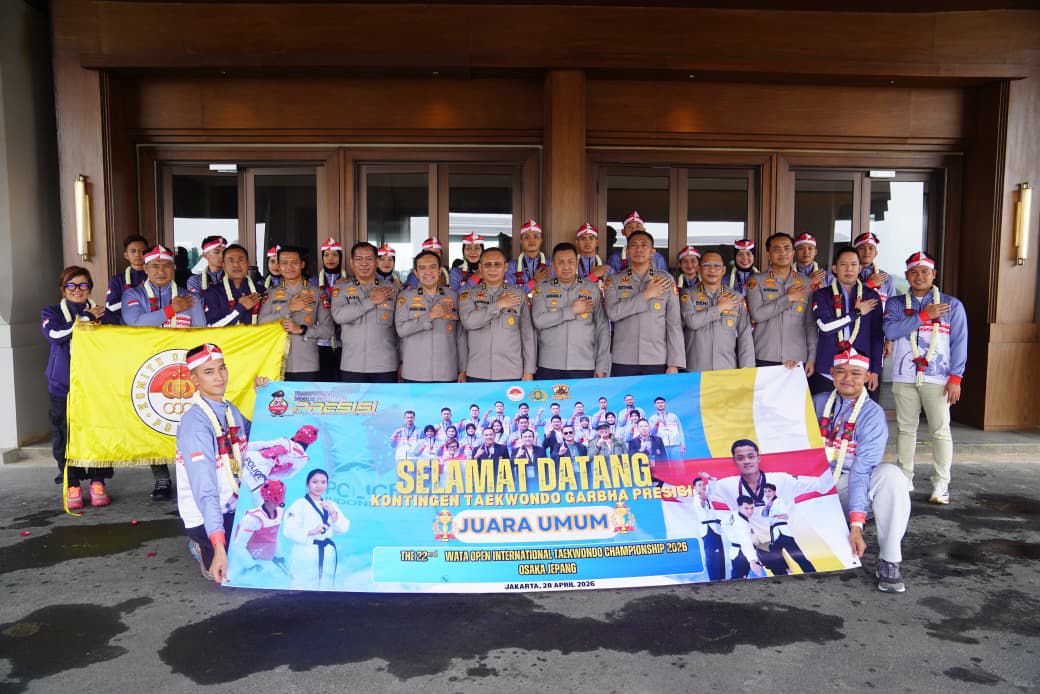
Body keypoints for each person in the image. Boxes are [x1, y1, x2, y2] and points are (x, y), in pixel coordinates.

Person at [814, 348, 911, 593]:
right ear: (831, 374)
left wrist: (856, 526)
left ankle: (889, 560)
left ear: (867, 376)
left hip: (846, 487)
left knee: (892, 476)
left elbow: (861, 471)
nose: (848, 378)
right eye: (841, 371)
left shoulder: (872, 415)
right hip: (812, 487)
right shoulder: (817, 402)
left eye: (856, 373)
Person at [174, 343, 268, 582]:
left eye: (222, 368)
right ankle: (201, 545)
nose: (219, 377)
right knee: (234, 573)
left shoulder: (229, 410)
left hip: (237, 504)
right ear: (194, 380)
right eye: (209, 372)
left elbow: (260, 437)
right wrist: (218, 546)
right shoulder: (195, 425)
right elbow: (205, 490)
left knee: (269, 553)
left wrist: (266, 398)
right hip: (207, 514)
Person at [883, 251, 967, 504]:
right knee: (905, 429)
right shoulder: (896, 304)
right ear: (906, 275)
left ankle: (941, 484)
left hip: (938, 378)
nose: (919, 276)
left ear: (934, 274)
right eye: (913, 272)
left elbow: (959, 342)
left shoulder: (952, 305)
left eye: (924, 272)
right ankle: (904, 479)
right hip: (904, 375)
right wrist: (923, 316)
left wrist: (956, 377)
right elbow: (890, 331)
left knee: (940, 431)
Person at [123, 244, 206, 499]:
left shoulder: (189, 295)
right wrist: (171, 310)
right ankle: (161, 477)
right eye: (155, 266)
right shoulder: (133, 294)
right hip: (149, 369)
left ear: (174, 268)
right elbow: (136, 322)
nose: (161, 271)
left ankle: (190, 474)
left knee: (189, 421)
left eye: (167, 266)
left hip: (182, 367)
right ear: (146, 268)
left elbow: (200, 329)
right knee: (154, 422)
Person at [42, 266, 114, 509]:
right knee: (64, 434)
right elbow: (55, 335)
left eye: (83, 285)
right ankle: (71, 483)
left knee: (98, 432)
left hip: (96, 384)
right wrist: (86, 318)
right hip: (63, 386)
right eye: (71, 285)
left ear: (90, 288)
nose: (77, 290)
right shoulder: (51, 312)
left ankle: (97, 481)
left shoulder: (105, 313)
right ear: (63, 289)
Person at [712, 438, 831, 577]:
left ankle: (816, 579)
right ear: (735, 461)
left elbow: (822, 485)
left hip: (786, 534)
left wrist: (835, 461)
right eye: (740, 458)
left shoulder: (782, 480)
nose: (746, 461)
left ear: (759, 458)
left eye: (751, 456)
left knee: (803, 562)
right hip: (760, 545)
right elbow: (697, 494)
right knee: (779, 576)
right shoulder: (726, 486)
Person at [604, 230, 685, 376]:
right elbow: (613, 313)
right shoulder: (614, 280)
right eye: (634, 245)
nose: (639, 249)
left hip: (657, 358)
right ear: (627, 251)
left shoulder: (666, 280)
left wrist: (674, 363)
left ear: (652, 252)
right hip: (623, 359)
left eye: (644, 245)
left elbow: (674, 324)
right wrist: (647, 294)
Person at [531, 242, 611, 379]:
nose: (566, 266)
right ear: (553, 265)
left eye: (570, 262)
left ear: (577, 263)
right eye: (560, 262)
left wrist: (602, 364)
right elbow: (539, 321)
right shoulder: (542, 288)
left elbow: (602, 328)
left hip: (584, 364)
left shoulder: (592, 289)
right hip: (549, 364)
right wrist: (571, 311)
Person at [811, 246, 882, 397]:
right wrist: (856, 313)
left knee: (859, 412)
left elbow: (877, 336)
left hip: (860, 370)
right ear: (835, 269)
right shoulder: (822, 295)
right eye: (843, 264)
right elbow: (825, 327)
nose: (849, 269)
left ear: (860, 268)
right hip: (828, 369)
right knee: (824, 410)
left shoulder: (871, 296)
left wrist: (875, 370)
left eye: (854, 264)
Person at [459, 247, 536, 381]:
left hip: (511, 371)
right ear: (480, 268)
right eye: (487, 265)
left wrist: (529, 370)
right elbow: (468, 323)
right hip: (477, 371)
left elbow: (528, 335)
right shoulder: (468, 295)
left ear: (505, 267)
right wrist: (499, 305)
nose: (492, 269)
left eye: (497, 264)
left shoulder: (518, 295)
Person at [259, 246, 333, 381]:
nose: (289, 267)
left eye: (294, 262)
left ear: (302, 264)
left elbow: (328, 330)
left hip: (307, 364)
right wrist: (289, 308)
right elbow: (261, 323)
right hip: (276, 362)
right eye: (284, 263)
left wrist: (301, 329)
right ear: (279, 266)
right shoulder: (270, 293)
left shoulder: (317, 293)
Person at [747, 233, 816, 375]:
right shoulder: (756, 280)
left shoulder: (806, 283)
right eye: (777, 249)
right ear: (768, 254)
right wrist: (788, 298)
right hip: (765, 355)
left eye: (787, 248)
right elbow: (757, 315)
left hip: (797, 357)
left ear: (793, 252)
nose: (782, 253)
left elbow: (810, 323)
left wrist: (812, 357)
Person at [332, 241, 400, 383]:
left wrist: (403, 361)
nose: (364, 263)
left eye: (369, 259)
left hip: (385, 365)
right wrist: (371, 301)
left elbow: (400, 329)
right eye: (359, 259)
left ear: (376, 262)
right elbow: (339, 316)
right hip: (352, 365)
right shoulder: (341, 289)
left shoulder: (392, 289)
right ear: (352, 263)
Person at [396, 249, 467, 382]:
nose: (428, 272)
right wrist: (430, 316)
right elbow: (401, 330)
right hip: (415, 372)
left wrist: (463, 369)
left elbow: (460, 336)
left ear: (439, 271)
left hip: (447, 371)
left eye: (432, 267)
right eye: (422, 268)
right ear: (416, 273)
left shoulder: (453, 296)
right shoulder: (405, 297)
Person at [680, 250, 755, 372]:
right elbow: (692, 322)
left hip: (726, 369)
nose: (712, 270)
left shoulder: (736, 297)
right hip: (695, 370)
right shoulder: (688, 295)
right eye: (707, 265)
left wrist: (747, 369)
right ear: (699, 269)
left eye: (717, 266)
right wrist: (720, 307)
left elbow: (745, 335)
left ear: (724, 270)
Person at [283, 469, 350, 589]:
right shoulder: (299, 504)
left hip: (327, 551)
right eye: (315, 482)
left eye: (323, 482)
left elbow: (343, 528)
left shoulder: (330, 505)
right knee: (303, 585)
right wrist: (311, 531)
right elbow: (288, 531)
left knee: (326, 585)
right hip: (306, 551)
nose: (319, 486)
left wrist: (332, 512)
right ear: (307, 484)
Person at [231, 479, 289, 577]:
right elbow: (238, 546)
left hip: (264, 559)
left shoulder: (280, 512)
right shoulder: (252, 519)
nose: (284, 497)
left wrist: (279, 556)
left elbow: (273, 538)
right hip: (246, 562)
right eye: (282, 494)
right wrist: (251, 566)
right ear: (276, 496)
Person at [313, 238, 349, 382]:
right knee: (324, 381)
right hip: (321, 341)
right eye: (326, 255)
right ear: (322, 258)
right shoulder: (313, 282)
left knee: (344, 381)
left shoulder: (350, 281)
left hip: (344, 340)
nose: (330, 259)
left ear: (340, 258)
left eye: (335, 255)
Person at [202, 244, 264, 327]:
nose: (236, 264)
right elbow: (211, 327)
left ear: (248, 263)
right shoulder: (213, 292)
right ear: (223, 265)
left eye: (240, 260)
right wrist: (240, 308)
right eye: (231, 260)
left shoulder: (261, 291)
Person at [762, 484, 816, 573]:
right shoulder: (768, 504)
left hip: (783, 533)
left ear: (774, 492)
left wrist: (774, 516)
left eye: (769, 491)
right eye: (765, 491)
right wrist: (767, 506)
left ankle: (812, 573)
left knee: (797, 556)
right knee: (774, 557)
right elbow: (764, 515)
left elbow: (785, 515)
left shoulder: (779, 501)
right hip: (775, 534)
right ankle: (783, 572)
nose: (767, 493)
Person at [104, 234, 149, 322]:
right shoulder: (117, 280)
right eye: (133, 251)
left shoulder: (156, 277)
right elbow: (110, 308)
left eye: (142, 251)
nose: (137, 254)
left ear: (148, 254)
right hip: (125, 326)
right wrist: (135, 295)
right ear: (126, 255)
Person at [508, 219, 552, 294]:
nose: (532, 241)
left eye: (536, 236)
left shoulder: (551, 264)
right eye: (527, 237)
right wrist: (534, 281)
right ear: (521, 241)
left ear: (541, 240)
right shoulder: (511, 266)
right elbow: (512, 294)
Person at [854, 232, 897, 308]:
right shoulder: (847, 274)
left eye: (871, 248)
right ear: (855, 252)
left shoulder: (886, 278)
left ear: (876, 253)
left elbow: (892, 309)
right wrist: (869, 284)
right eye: (862, 248)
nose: (867, 251)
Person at [725, 496, 764, 579]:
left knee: (738, 577)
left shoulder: (735, 514)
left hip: (737, 552)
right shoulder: (741, 524)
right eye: (746, 508)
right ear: (739, 507)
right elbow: (746, 543)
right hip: (742, 553)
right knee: (739, 579)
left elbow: (724, 523)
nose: (750, 511)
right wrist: (752, 561)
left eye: (752, 508)